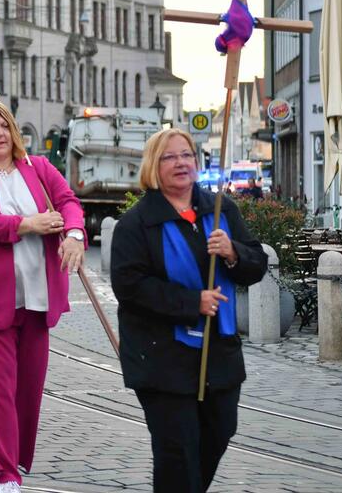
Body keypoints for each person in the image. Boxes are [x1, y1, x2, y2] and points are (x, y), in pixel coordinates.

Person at [111, 128, 267, 493]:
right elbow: (130, 287)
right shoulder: (137, 224)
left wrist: (233, 253)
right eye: (170, 157)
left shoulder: (221, 209)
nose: (181, 163)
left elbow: (256, 265)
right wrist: (191, 303)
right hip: (161, 357)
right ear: (153, 166)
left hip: (219, 353)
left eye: (187, 155)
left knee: (218, 432)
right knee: (178, 451)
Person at [0, 101, 85, 492]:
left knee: (28, 389)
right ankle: (4, 474)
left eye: (3, 125)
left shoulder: (38, 169)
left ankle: (17, 460)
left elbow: (69, 202)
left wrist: (73, 235)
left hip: (37, 299)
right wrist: (25, 224)